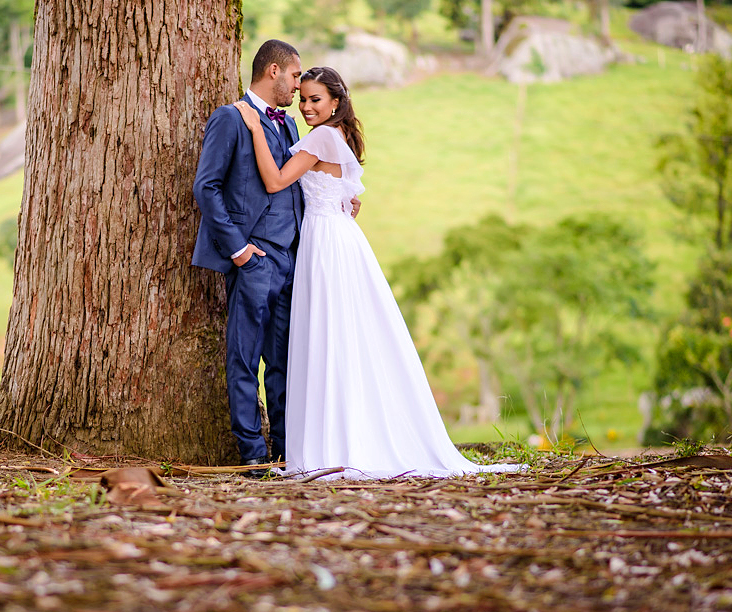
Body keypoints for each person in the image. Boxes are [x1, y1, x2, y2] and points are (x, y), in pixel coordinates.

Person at [232, 66, 524, 479]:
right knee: (343, 335)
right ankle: (346, 435)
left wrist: (254, 128)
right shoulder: (341, 135)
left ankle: (335, 442)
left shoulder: (320, 137)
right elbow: (347, 191)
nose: (306, 106)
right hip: (338, 235)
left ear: (335, 101)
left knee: (329, 335)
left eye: (316, 99)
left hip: (327, 243)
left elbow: (278, 180)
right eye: (304, 98)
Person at [192, 40, 310, 476]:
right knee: (242, 357)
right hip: (254, 260)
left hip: (291, 261)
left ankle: (283, 451)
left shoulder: (292, 126)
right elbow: (207, 188)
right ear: (274, 70)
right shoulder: (230, 118)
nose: (299, 85)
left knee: (281, 361)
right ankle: (253, 456)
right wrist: (240, 251)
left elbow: (294, 186)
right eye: (296, 76)